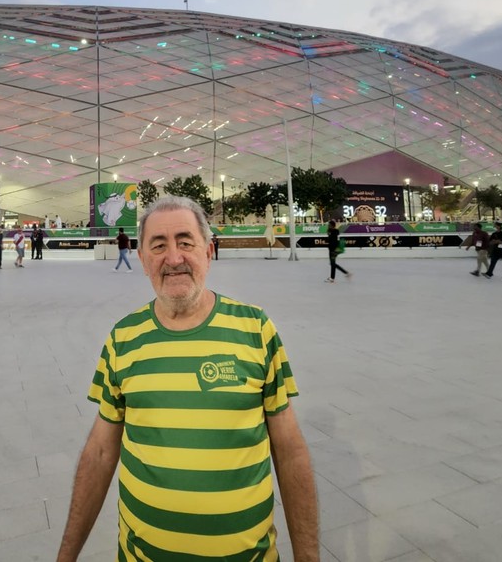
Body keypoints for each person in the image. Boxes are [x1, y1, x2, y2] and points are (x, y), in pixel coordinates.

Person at [56, 197, 318, 562]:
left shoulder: (256, 329)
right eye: (158, 246)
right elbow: (100, 453)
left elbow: (290, 452)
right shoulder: (123, 339)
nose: (174, 258)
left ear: (208, 252)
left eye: (185, 242)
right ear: (142, 259)